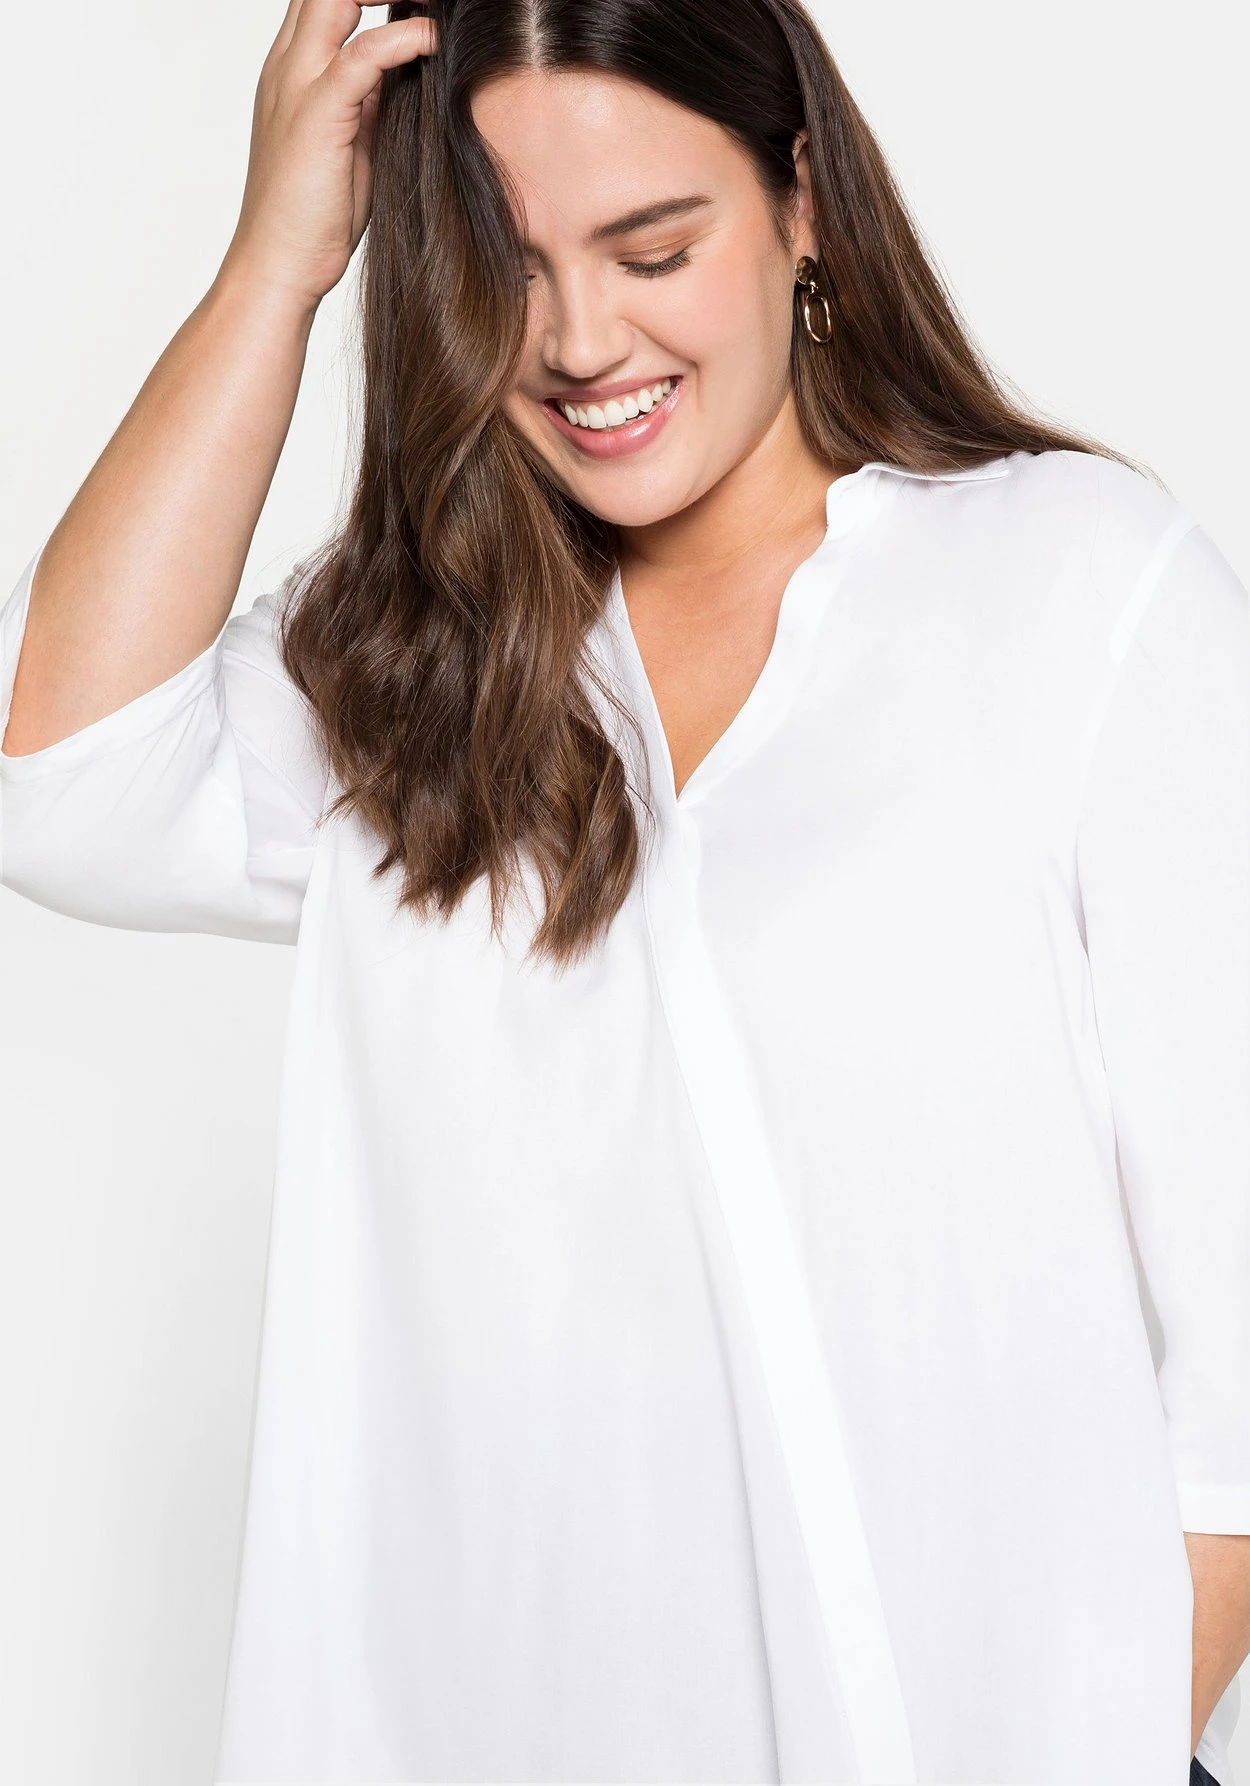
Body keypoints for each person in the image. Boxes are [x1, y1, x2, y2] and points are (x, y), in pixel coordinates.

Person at [1, 0, 1247, 1780]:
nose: (584, 341)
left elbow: (1236, 1358)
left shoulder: (1076, 595)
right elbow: (56, 782)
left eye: (652, 250)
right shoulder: (410, 671)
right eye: (506, 271)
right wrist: (277, 265)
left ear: (801, 201)